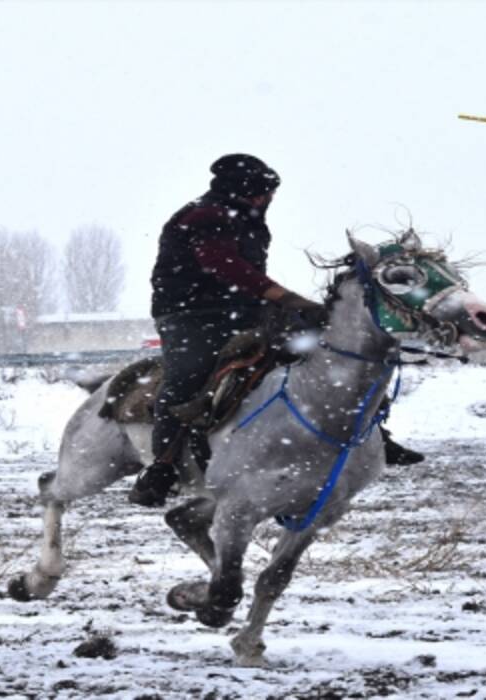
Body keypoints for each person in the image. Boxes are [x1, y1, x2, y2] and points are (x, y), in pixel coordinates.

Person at [129, 154, 422, 508]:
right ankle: (162, 468)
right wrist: (285, 298)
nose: (268, 199)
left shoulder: (250, 219)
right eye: (263, 192)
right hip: (191, 312)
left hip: (248, 307)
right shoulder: (202, 217)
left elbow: (247, 276)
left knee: (325, 349)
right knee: (188, 375)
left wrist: (284, 307)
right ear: (242, 190)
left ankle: (375, 433)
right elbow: (228, 268)